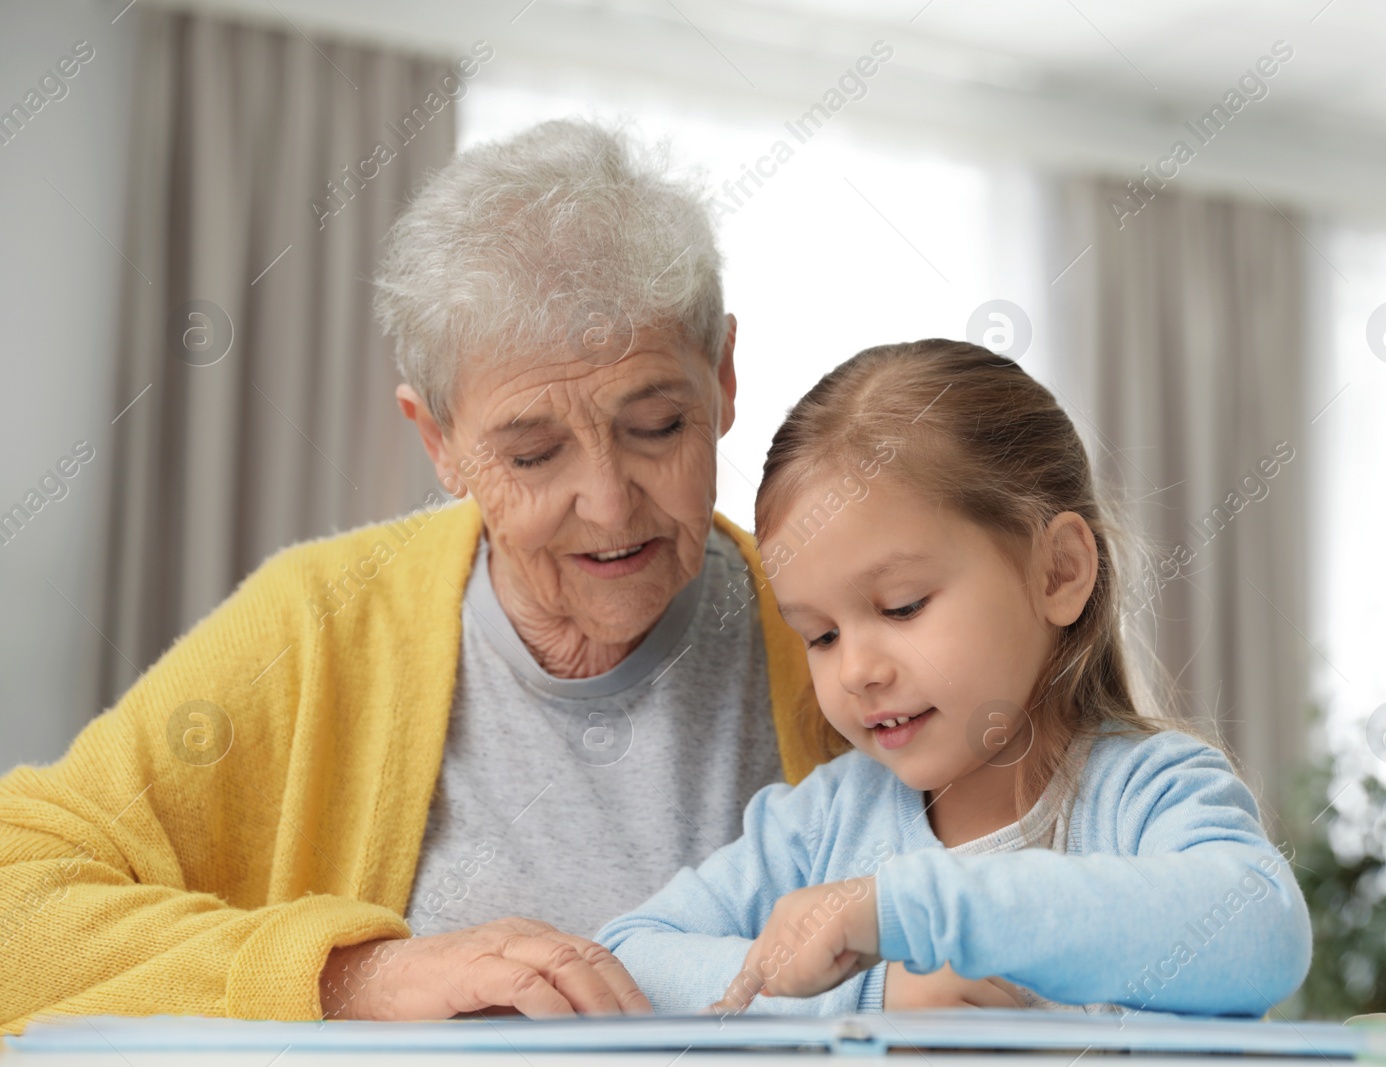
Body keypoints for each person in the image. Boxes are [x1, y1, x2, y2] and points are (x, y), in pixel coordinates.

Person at [0, 120, 829, 1033]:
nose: (606, 501)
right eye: (533, 453)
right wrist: (352, 978)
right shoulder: (317, 623)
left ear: (723, 377)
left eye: (658, 426)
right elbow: (15, 892)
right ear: (439, 443)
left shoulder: (848, 627)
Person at [596, 339, 1313, 1016]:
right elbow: (627, 959)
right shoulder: (819, 826)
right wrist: (869, 993)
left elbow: (1262, 929)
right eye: (820, 635)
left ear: (1058, 571)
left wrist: (914, 909)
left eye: (903, 606)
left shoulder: (1144, 793)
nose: (858, 671)